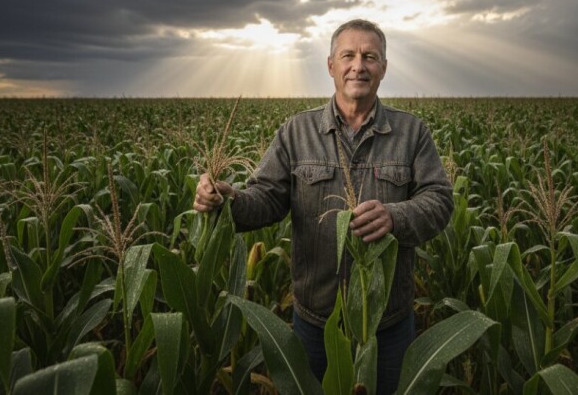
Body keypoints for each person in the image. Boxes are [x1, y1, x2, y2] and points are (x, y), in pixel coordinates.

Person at [193, 19, 453, 393]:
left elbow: (439, 201)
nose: (358, 66)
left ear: (383, 67)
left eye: (369, 57)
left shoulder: (411, 132)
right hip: (315, 319)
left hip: (387, 322)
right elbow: (266, 199)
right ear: (331, 65)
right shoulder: (297, 132)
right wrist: (225, 200)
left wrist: (394, 217)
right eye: (348, 56)